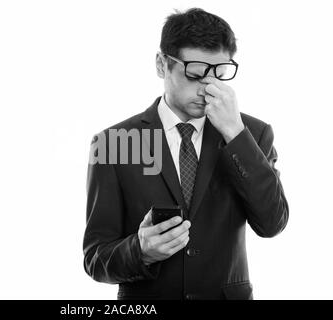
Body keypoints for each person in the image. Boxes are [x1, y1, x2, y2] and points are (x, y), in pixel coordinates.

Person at [83, 8, 289, 300]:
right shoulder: (114, 142)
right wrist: (141, 251)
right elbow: (94, 258)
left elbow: (272, 224)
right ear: (161, 64)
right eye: (195, 74)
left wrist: (235, 135)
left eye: (220, 73)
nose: (209, 87)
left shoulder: (251, 135)